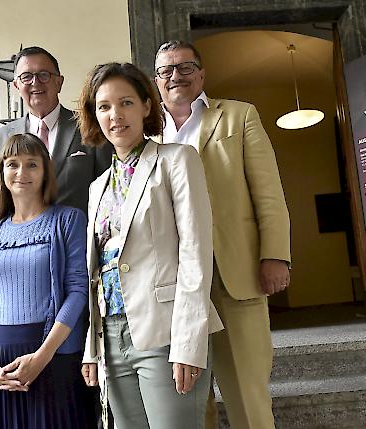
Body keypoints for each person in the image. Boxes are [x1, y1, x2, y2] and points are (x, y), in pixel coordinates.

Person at [154, 40, 291, 429]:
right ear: (155, 81)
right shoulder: (147, 134)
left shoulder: (238, 116)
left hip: (233, 272)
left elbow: (268, 192)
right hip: (173, 282)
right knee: (192, 400)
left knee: (247, 393)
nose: (176, 76)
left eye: (185, 67)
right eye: (166, 70)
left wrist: (275, 255)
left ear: (201, 73)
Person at [78, 62, 223, 429]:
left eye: (125, 103)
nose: (115, 115)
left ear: (146, 105)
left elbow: (195, 252)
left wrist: (188, 342)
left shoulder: (176, 160)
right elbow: (96, 274)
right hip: (112, 335)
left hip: (165, 330)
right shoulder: (97, 188)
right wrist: (91, 350)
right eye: (104, 107)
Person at [0, 133, 91, 428]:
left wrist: (42, 357)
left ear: (45, 171)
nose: (21, 173)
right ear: (2, 171)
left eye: (31, 164)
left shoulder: (68, 220)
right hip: (0, 363)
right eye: (12, 164)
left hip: (54, 353)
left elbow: (77, 291)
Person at [0, 46, 112, 217]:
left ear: (59, 82)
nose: (35, 82)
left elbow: (108, 193)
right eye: (26, 77)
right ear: (16, 85)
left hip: (80, 238)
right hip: (23, 240)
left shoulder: (90, 126)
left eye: (44, 75)